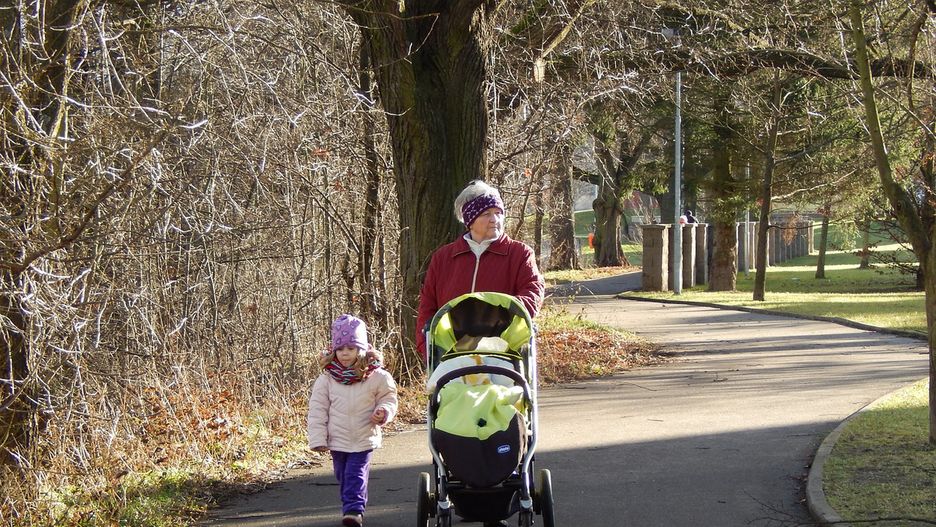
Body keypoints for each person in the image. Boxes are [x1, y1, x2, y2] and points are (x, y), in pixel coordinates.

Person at [416, 180, 545, 361]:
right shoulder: (444, 258)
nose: (495, 219)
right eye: (486, 214)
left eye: (499, 213)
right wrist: (426, 345)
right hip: (452, 350)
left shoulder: (519, 254)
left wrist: (505, 312)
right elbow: (428, 305)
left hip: (504, 348)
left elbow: (533, 290)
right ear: (470, 220)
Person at [308, 314, 398, 527]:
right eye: (340, 349)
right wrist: (318, 439)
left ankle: (354, 511)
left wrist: (383, 411)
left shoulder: (377, 376)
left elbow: (389, 398)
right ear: (334, 350)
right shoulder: (327, 379)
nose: (345, 354)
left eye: (350, 348)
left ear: (362, 349)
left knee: (355, 475)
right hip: (337, 438)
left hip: (363, 436)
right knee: (343, 475)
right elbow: (317, 410)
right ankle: (351, 506)